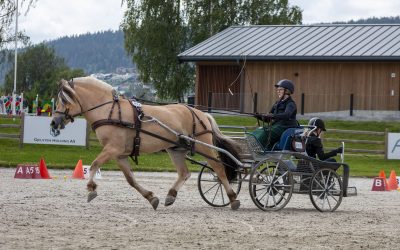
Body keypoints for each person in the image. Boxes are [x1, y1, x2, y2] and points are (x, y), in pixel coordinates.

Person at [252, 79, 298, 150]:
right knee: (258, 131)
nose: (278, 91)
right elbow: (269, 118)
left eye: (280, 89)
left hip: (285, 127)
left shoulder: (291, 104)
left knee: (266, 133)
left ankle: (257, 150)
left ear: (287, 91)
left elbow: (286, 115)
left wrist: (272, 116)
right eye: (277, 90)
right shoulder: (277, 103)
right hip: (276, 126)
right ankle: (252, 148)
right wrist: (259, 116)